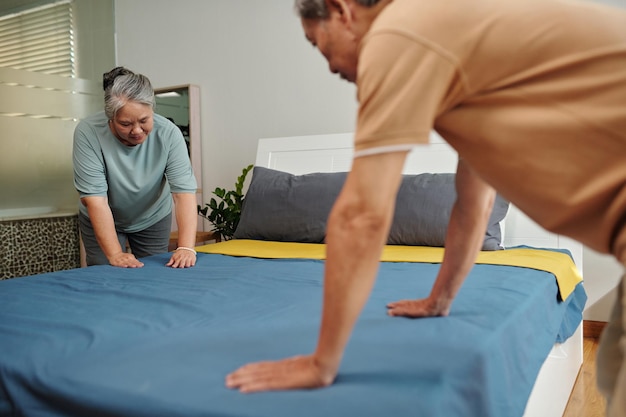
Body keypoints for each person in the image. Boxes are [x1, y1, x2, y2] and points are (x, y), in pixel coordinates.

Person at [225, 0, 626, 414]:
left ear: (341, 10)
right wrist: (440, 300)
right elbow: (473, 203)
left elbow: (362, 214)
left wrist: (321, 362)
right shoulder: (460, 51)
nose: (327, 65)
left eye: (317, 44)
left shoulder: (398, 35)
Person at [73, 67, 199, 269]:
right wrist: (115, 254)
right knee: (106, 271)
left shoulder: (168, 134)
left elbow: (183, 194)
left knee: (155, 271)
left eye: (144, 120)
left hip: (152, 216)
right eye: (125, 123)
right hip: (103, 214)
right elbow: (95, 201)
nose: (137, 131)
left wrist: (186, 247)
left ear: (152, 110)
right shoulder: (88, 133)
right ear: (111, 118)